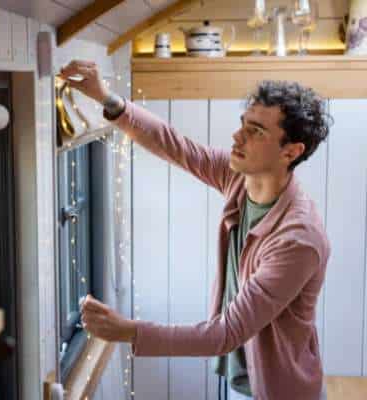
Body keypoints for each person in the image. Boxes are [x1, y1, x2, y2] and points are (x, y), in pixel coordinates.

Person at [59, 60, 331, 400]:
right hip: (241, 378)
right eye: (243, 124)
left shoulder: (298, 240)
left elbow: (226, 332)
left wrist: (128, 331)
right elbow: (176, 146)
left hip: (278, 391)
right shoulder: (239, 179)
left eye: (256, 131)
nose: (238, 136)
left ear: (290, 151)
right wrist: (105, 97)